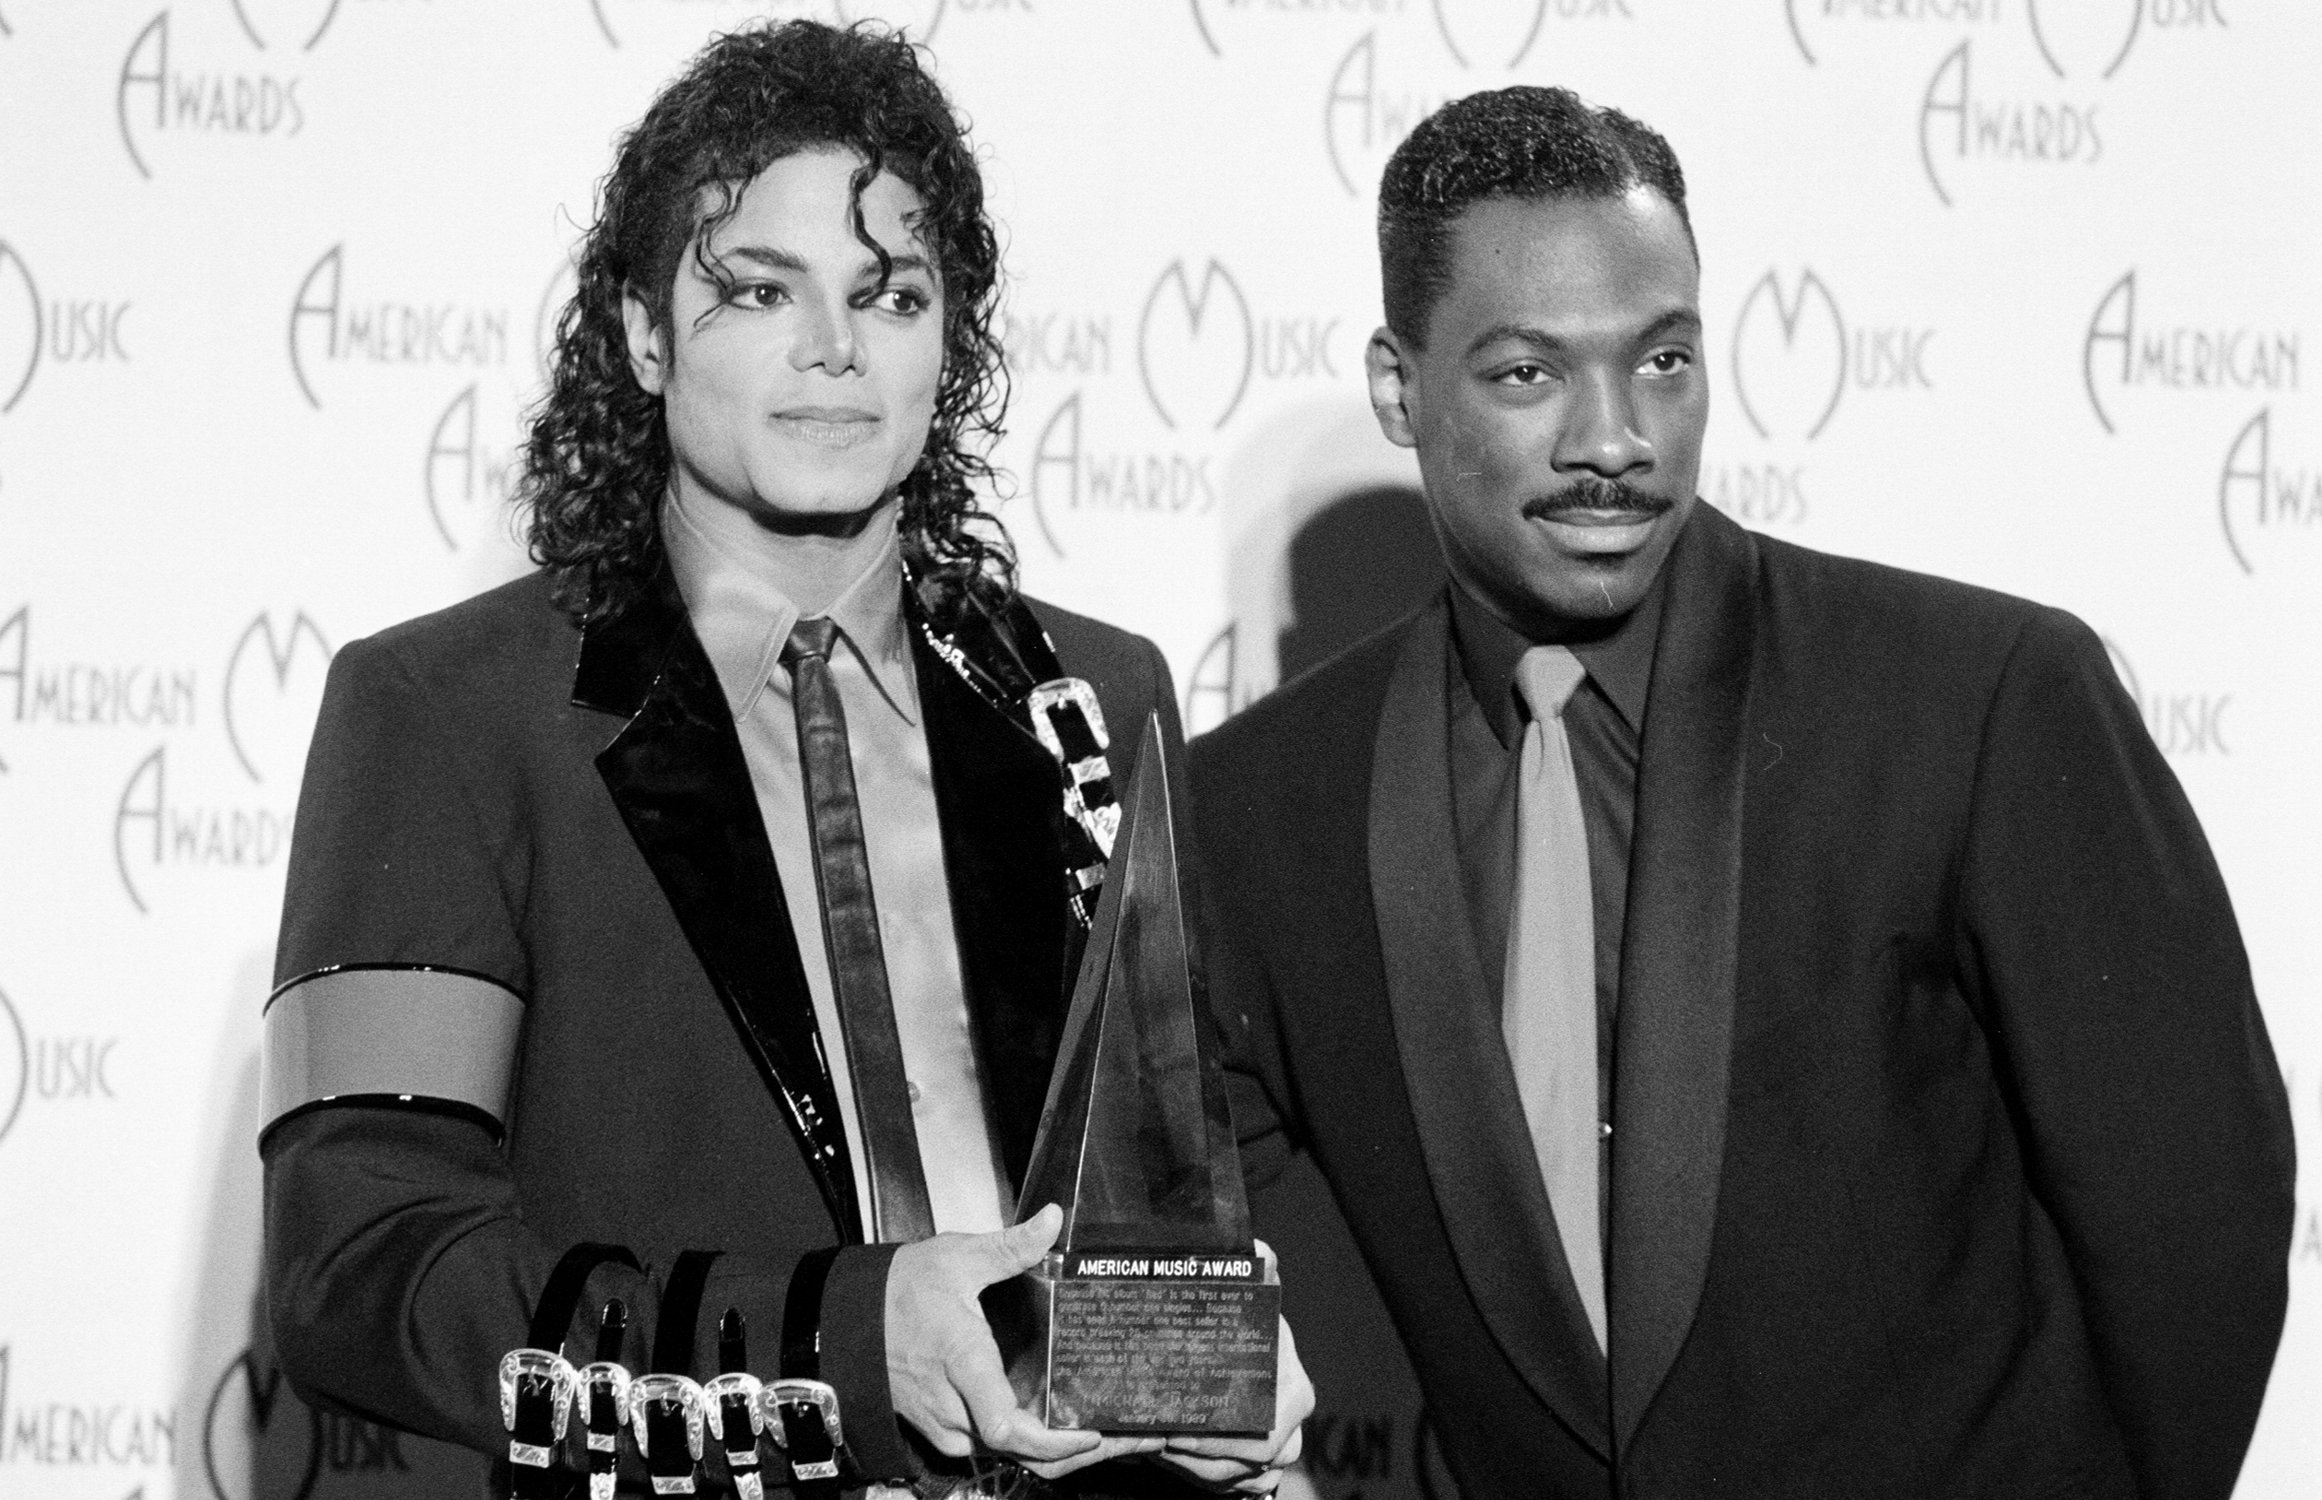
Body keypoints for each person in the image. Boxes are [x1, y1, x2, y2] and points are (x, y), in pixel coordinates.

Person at [1188, 85, 2292, 1499]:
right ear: (1399, 389)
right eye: (1527, 374)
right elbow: (1216, 1276)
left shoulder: (1981, 698)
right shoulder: (1262, 809)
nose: (1614, 438)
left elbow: (2192, 1225)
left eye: (1660, 361)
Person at [260, 21, 1307, 1497]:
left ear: (952, 343)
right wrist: (842, 1342)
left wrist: (1213, 1360)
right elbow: (363, 1271)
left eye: (890, 295)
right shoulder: (443, 712)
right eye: (759, 289)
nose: (833, 349)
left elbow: (1150, 1199)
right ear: (640, 331)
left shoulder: (1093, 692)